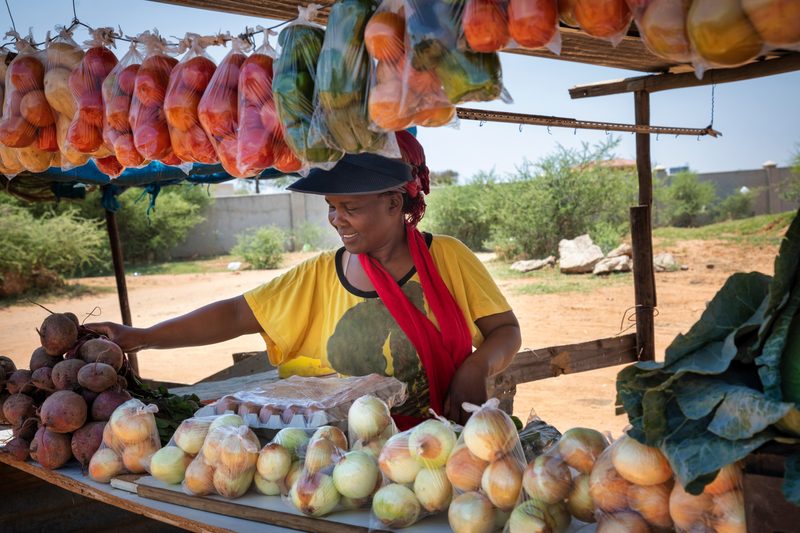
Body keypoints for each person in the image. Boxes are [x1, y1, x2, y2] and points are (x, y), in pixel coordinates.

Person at [89, 132, 521, 425]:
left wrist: (476, 364)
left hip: (435, 443)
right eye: (331, 206)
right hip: (340, 455)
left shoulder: (447, 258)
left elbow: (504, 330)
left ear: (394, 202)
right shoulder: (319, 275)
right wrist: (142, 336)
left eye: (350, 207)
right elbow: (238, 313)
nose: (336, 219)